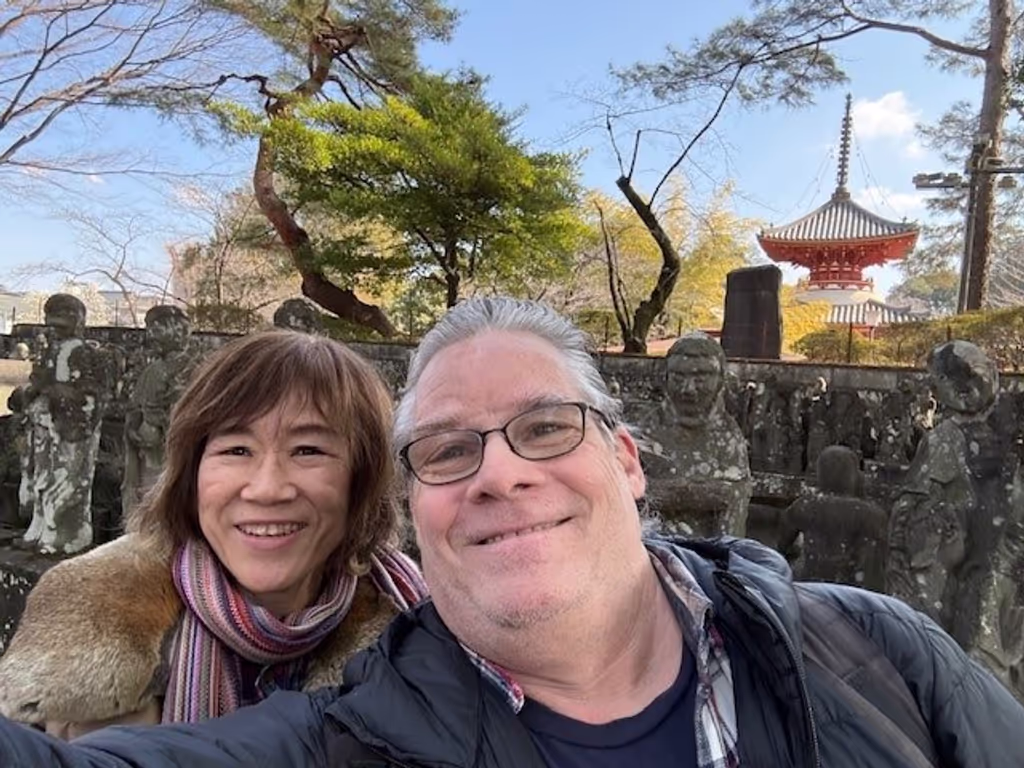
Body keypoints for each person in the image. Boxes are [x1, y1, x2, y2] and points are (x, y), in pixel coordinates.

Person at [1, 298, 1023, 767]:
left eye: (544, 428)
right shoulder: (370, 718)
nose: (498, 472)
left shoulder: (878, 659)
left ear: (629, 459)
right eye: (447, 449)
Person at [0, 330, 425, 738]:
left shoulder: (417, 631)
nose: (267, 488)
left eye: (308, 450)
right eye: (236, 450)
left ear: (362, 481)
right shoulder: (85, 632)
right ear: (192, 473)